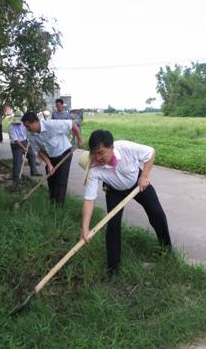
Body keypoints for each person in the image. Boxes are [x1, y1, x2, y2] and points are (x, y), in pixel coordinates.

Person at [78, 130, 172, 276]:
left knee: (157, 213)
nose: (97, 157)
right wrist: (85, 228)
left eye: (101, 152)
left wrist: (145, 176)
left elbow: (150, 152)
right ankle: (112, 269)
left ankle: (167, 250)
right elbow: (89, 199)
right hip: (114, 190)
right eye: (94, 153)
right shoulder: (93, 169)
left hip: (137, 182)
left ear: (111, 147)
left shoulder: (125, 147)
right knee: (113, 225)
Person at [22, 111, 83, 206]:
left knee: (60, 181)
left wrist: (79, 139)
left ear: (35, 122)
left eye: (28, 126)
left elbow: (72, 124)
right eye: (26, 127)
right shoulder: (31, 135)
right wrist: (49, 164)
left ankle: (59, 206)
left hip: (64, 153)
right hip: (50, 157)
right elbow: (39, 151)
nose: (27, 129)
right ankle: (52, 202)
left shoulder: (51, 125)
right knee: (51, 178)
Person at [8, 114, 42, 183]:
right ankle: (16, 177)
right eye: (16, 122)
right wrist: (23, 148)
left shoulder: (23, 124)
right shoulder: (11, 127)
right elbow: (16, 140)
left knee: (32, 155)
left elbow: (28, 130)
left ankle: (34, 172)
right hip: (16, 145)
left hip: (25, 141)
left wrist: (28, 140)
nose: (18, 123)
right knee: (18, 161)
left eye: (19, 122)